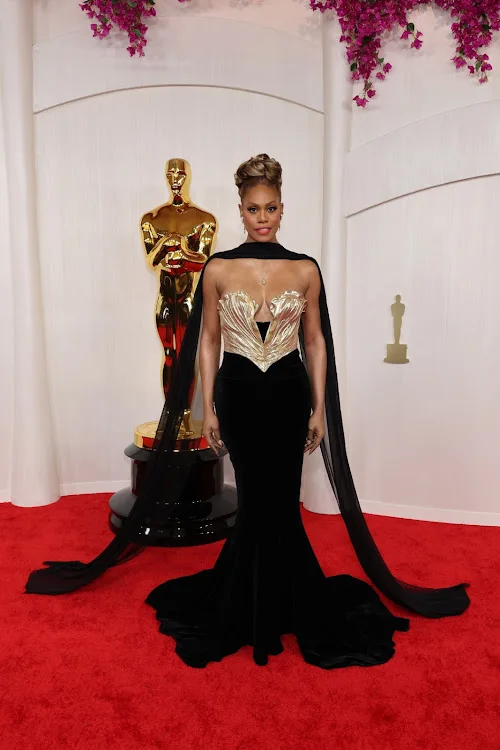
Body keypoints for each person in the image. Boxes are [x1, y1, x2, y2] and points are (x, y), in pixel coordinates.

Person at [25, 154, 470, 670]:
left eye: (271, 207)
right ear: (240, 210)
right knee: (257, 500)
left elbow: (316, 342)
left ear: (283, 208)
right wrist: (209, 407)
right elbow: (209, 340)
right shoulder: (218, 268)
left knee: (279, 501)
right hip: (237, 397)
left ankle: (279, 599)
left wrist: (320, 409)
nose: (263, 217)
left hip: (288, 396)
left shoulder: (305, 269)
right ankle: (251, 601)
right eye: (254, 208)